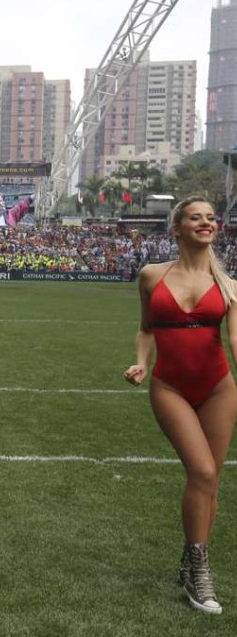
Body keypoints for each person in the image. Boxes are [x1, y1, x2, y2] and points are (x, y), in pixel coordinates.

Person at [123, 196, 237, 615]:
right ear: (177, 228)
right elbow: (145, 330)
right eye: (196, 217)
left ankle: (191, 562)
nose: (206, 223)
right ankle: (200, 571)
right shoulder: (152, 276)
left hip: (219, 389)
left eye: (211, 218)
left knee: (212, 483)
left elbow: (235, 342)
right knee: (202, 471)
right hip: (170, 387)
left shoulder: (229, 285)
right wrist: (140, 362)